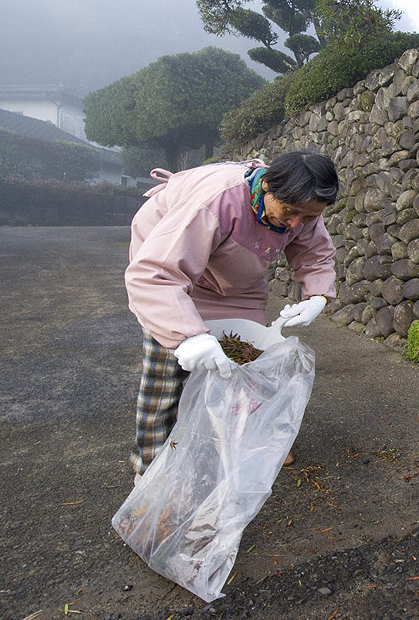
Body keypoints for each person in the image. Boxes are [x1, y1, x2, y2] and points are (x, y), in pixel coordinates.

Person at [124, 150, 339, 482]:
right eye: (292, 213)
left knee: (252, 365)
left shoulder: (302, 205)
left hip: (237, 281)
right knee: (166, 374)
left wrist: (318, 296)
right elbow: (156, 276)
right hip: (172, 273)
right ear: (266, 186)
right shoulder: (213, 202)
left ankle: (256, 440)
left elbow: (315, 252)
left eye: (307, 217)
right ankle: (150, 469)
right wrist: (187, 337)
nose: (297, 224)